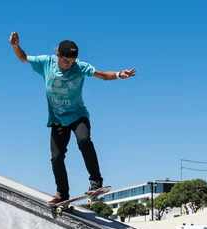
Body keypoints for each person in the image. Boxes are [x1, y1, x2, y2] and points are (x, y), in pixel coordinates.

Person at [9, 32, 136, 205]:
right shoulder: (46, 62)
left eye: (72, 62)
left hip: (78, 115)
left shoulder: (80, 67)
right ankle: (62, 194)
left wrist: (120, 74)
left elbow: (103, 75)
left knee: (84, 140)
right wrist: (16, 46)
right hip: (57, 119)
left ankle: (96, 181)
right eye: (66, 61)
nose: (69, 65)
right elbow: (23, 57)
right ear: (58, 55)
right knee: (56, 157)